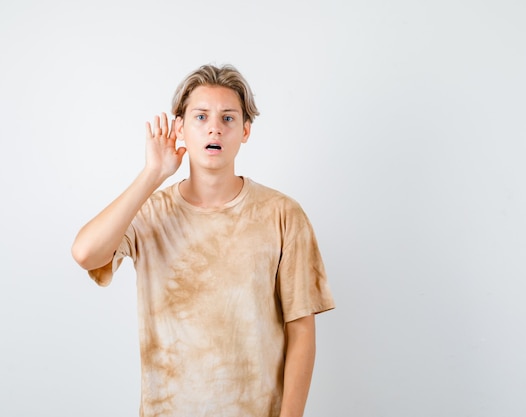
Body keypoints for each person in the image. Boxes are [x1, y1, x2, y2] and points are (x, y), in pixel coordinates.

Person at [71, 64, 335, 417]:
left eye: (228, 118)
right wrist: (152, 174)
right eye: (200, 117)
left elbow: (300, 329)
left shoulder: (282, 214)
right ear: (180, 127)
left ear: (245, 131)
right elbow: (85, 253)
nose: (214, 127)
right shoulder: (151, 213)